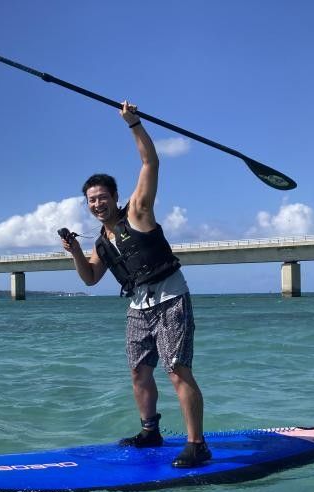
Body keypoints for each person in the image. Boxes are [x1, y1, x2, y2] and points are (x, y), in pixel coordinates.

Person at [61, 100, 210, 468]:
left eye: (102, 198)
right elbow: (91, 278)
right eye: (91, 201)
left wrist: (134, 124)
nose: (97, 204)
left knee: (177, 370)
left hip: (171, 298)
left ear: (114, 197)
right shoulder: (99, 241)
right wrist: (75, 251)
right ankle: (150, 431)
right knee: (138, 372)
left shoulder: (138, 212)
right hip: (138, 308)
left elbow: (150, 163)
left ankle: (197, 444)